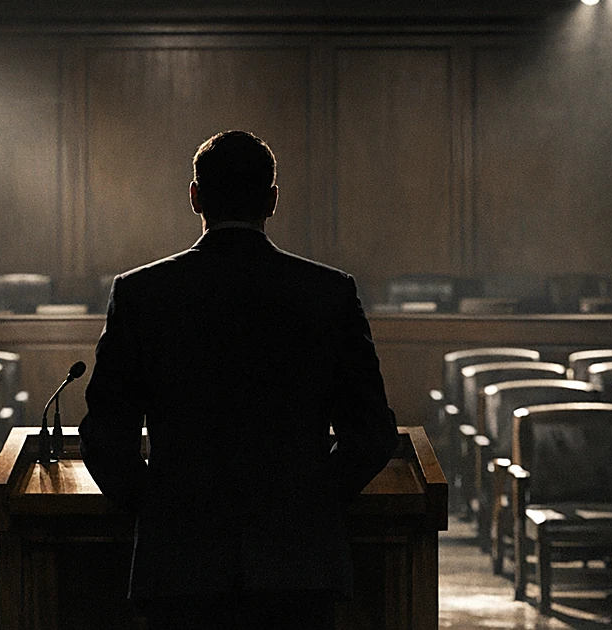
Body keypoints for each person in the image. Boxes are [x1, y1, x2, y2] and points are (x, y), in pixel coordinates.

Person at [79, 130, 398, 629]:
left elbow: (104, 441)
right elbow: (373, 434)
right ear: (272, 200)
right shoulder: (327, 293)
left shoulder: (142, 294)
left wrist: (163, 506)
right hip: (297, 565)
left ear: (195, 197)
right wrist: (309, 501)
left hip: (182, 566)